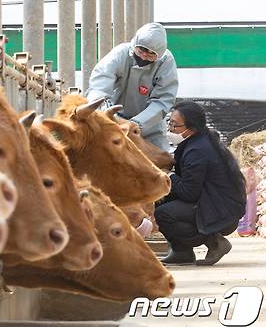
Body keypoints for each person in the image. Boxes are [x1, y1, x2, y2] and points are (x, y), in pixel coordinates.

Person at [155, 102, 246, 266]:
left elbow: (189, 193)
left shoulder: (197, 151)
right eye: (169, 123)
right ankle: (181, 252)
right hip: (213, 200)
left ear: (191, 128)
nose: (170, 129)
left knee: (163, 214)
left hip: (221, 209)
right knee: (161, 199)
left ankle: (214, 242)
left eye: (175, 125)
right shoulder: (198, 142)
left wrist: (168, 175)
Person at [86, 23, 178, 151]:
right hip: (114, 120)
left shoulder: (166, 61)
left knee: (159, 162)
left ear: (159, 55)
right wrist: (95, 107)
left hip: (150, 128)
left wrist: (136, 124)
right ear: (135, 44)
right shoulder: (121, 53)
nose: (144, 56)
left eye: (151, 54)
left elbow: (163, 101)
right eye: (142, 50)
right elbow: (101, 80)